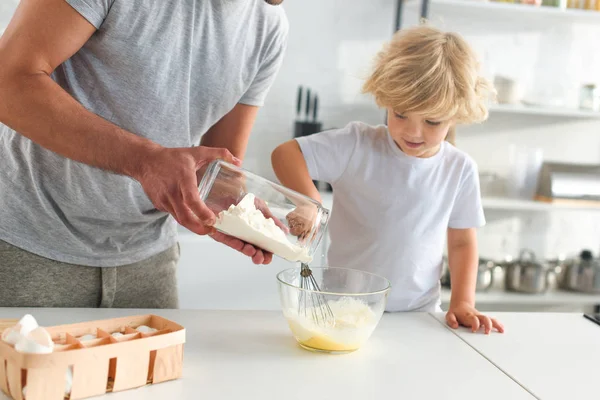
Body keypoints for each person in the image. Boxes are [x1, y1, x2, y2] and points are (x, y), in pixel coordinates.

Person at [0, 0, 288, 308]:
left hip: (148, 263)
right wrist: (146, 161)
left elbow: (217, 168)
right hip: (29, 246)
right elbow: (8, 81)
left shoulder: (267, 26)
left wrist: (232, 209)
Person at [272, 25, 504, 334]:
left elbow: (462, 241)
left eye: (432, 121)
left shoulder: (459, 169)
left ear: (457, 115)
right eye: (400, 114)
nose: (412, 131)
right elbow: (286, 154)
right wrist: (310, 202)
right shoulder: (356, 144)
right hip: (342, 310)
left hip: (419, 315)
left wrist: (462, 301)